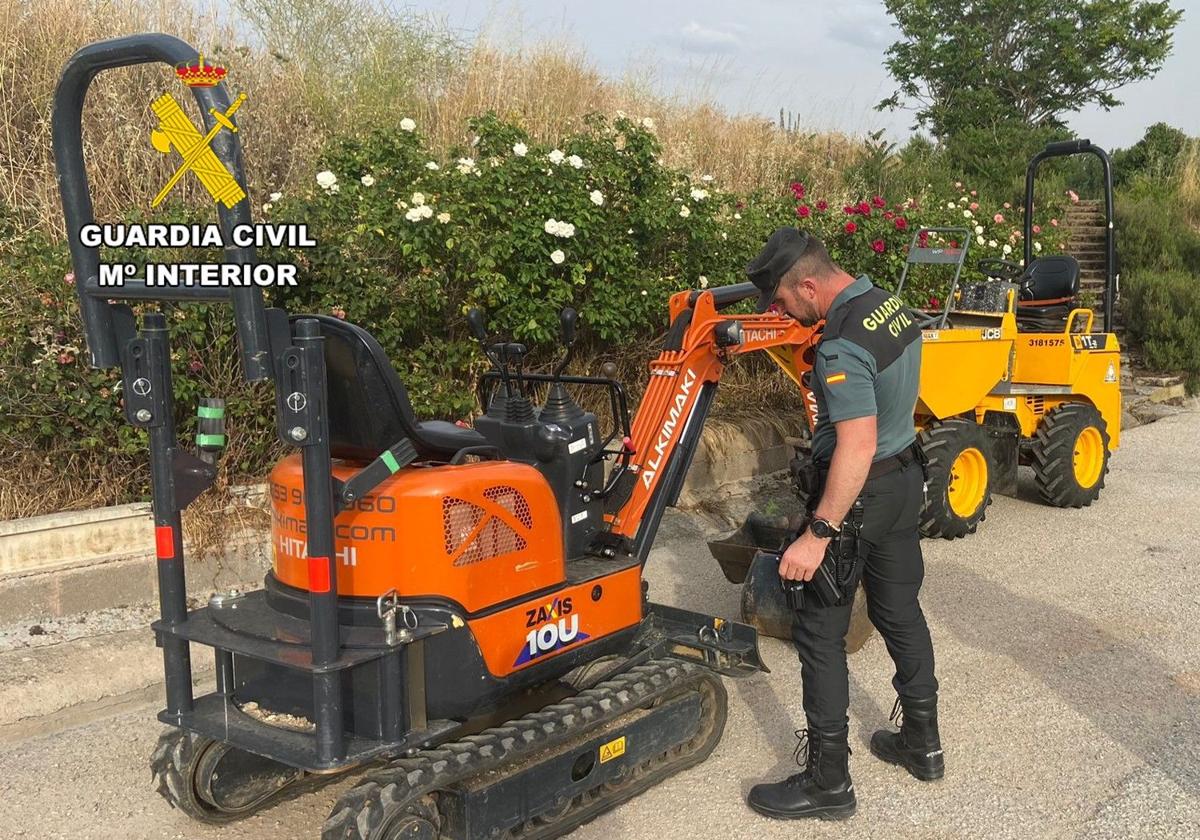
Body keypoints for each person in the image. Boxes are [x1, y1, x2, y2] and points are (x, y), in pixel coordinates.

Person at [743, 228, 944, 821]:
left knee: (819, 635)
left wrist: (818, 533)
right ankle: (922, 742)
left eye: (781, 300)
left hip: (860, 495)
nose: (780, 312)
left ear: (808, 284)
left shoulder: (837, 346)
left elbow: (856, 444)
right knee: (900, 610)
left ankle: (828, 783)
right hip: (907, 479)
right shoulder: (889, 303)